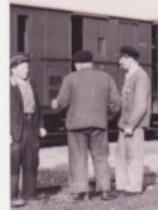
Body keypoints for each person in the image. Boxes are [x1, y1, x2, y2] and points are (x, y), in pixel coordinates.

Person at [51, 50, 121, 201]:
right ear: (91, 63)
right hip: (99, 125)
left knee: (77, 158)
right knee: (101, 157)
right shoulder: (106, 77)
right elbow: (116, 104)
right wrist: (106, 117)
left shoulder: (70, 78)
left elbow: (62, 102)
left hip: (76, 125)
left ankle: (80, 191)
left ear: (77, 64)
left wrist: (55, 104)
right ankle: (105, 190)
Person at [10, 54, 47, 207]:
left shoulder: (31, 83)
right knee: (13, 162)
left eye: (27, 67)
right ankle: (12, 196)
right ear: (13, 69)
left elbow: (38, 107)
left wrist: (41, 125)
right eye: (23, 67)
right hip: (15, 128)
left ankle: (30, 194)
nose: (27, 70)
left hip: (31, 126)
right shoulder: (7, 85)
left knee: (31, 161)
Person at [114, 45, 152, 195]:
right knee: (122, 156)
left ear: (129, 59)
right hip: (124, 124)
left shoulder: (141, 77)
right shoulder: (130, 75)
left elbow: (141, 104)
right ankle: (122, 186)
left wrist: (131, 125)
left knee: (134, 157)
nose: (120, 62)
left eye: (121, 58)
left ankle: (134, 187)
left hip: (134, 126)